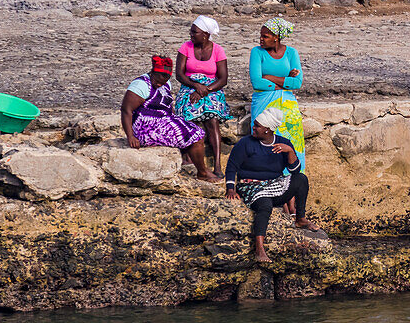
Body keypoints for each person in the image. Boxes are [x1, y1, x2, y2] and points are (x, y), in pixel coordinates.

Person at [225, 107, 324, 263]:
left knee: (301, 179)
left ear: (268, 130)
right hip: (250, 186)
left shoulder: (283, 143)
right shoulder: (245, 143)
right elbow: (232, 167)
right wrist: (230, 188)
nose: (254, 127)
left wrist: (290, 152)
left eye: (257, 126)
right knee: (265, 205)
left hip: (274, 184)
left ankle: (300, 218)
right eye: (255, 124)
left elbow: (294, 171)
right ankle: (259, 249)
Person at [121, 55, 219, 182]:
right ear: (152, 72)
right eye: (158, 79)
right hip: (145, 127)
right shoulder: (140, 85)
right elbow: (126, 110)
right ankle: (202, 172)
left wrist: (176, 120)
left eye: (164, 80)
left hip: (163, 120)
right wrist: (130, 136)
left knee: (197, 132)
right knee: (194, 136)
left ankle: (199, 168)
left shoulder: (166, 84)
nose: (160, 83)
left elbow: (167, 104)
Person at [173, 16, 232, 177]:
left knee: (212, 119)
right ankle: (188, 157)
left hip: (211, 89)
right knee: (187, 112)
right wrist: (196, 86)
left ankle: (217, 165)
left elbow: (223, 79)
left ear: (205, 34)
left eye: (195, 32)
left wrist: (205, 89)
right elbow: (179, 74)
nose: (191, 35)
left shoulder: (218, 50)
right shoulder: (186, 47)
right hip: (190, 85)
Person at [249, 17, 305, 170]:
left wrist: (269, 78)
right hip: (263, 101)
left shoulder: (291, 53)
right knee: (263, 138)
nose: (261, 39)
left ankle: (293, 173)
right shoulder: (257, 52)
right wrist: (284, 81)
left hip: (287, 103)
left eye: (265, 36)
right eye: (261, 36)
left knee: (291, 137)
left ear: (276, 38)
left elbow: (297, 83)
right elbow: (256, 82)